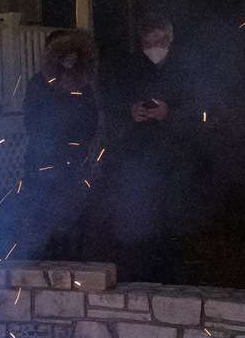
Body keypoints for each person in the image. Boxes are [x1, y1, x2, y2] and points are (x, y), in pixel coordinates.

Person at [102, 15, 199, 283]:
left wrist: (170, 113)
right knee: (140, 217)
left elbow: (199, 111)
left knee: (172, 221)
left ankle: (173, 276)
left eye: (159, 41)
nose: (153, 48)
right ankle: (141, 275)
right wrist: (130, 112)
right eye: (148, 42)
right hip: (138, 156)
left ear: (170, 40)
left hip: (175, 158)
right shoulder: (130, 68)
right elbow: (112, 103)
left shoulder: (185, 69)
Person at [21, 29, 100, 259]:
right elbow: (31, 120)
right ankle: (41, 264)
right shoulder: (38, 83)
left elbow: (90, 121)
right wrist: (51, 144)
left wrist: (75, 147)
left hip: (74, 164)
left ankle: (72, 262)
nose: (68, 58)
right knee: (40, 215)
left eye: (72, 53)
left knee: (72, 215)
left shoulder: (83, 85)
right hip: (42, 162)